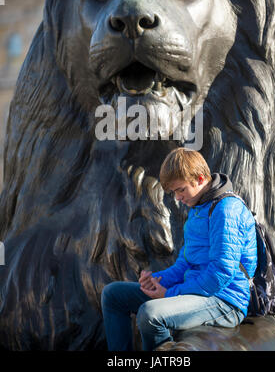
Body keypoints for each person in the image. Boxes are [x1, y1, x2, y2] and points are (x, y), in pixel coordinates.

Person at [101, 148, 257, 351]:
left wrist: (170, 293)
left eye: (181, 189)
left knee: (150, 314)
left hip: (225, 301)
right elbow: (184, 264)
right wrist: (156, 281)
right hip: (196, 292)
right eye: (174, 192)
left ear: (200, 179)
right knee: (113, 294)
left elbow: (221, 274)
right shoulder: (198, 209)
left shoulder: (226, 210)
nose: (177, 198)